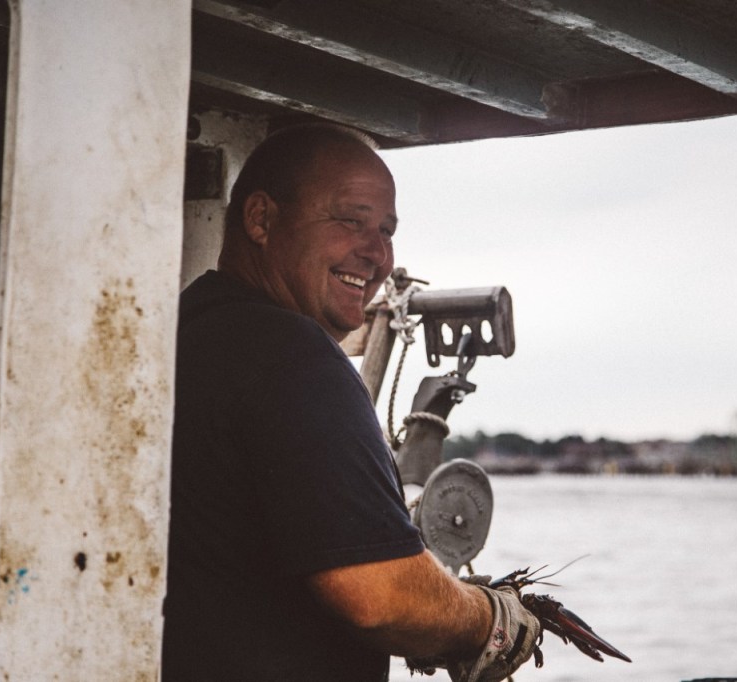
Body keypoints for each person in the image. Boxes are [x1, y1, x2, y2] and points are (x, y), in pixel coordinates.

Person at [162, 125, 540, 681]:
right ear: (261, 219)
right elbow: (379, 595)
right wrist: (490, 620)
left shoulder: (187, 327)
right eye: (350, 221)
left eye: (387, 231)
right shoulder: (291, 355)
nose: (379, 255)